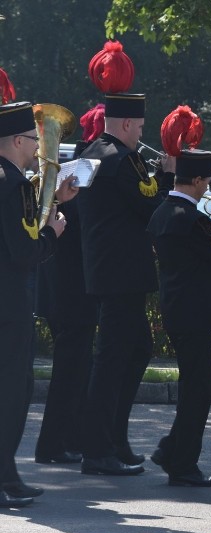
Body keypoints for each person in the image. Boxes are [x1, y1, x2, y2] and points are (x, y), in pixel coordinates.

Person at [77, 93, 174, 476]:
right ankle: (97, 449)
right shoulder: (121, 159)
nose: (141, 134)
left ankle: (114, 438)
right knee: (113, 359)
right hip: (121, 273)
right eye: (140, 127)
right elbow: (153, 208)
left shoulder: (94, 151)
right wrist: (169, 174)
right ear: (127, 125)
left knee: (136, 351)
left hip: (111, 270)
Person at [147, 149, 211, 486]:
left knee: (200, 382)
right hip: (194, 311)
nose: (208, 188)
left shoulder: (163, 212)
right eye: (206, 182)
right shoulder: (191, 218)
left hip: (178, 307)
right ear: (198, 181)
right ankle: (183, 463)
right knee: (199, 385)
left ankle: (172, 450)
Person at [0, 101, 78, 506]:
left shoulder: (12, 181)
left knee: (16, 390)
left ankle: (8, 476)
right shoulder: (11, 184)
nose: (38, 147)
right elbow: (23, 250)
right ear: (16, 140)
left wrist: (54, 205)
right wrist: (52, 235)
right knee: (11, 394)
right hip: (8, 304)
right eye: (33, 139)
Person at [34, 106, 104, 466]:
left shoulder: (72, 171)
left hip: (67, 290)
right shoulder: (79, 175)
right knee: (69, 371)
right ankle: (51, 445)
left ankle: (71, 438)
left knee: (79, 369)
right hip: (70, 290)